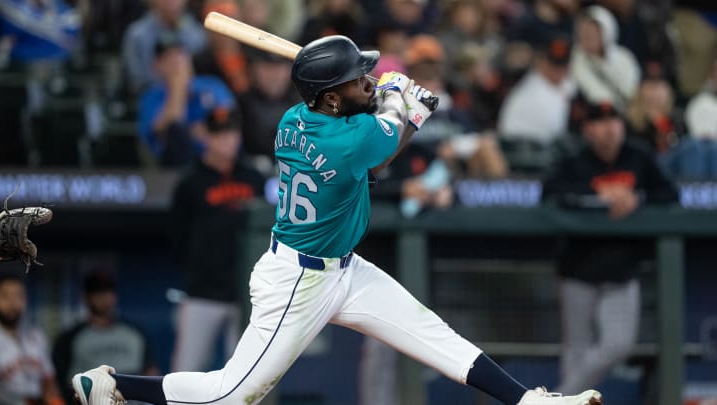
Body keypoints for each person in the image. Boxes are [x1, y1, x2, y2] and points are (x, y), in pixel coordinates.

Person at [71, 35, 602, 405]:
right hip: (298, 282)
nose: (367, 80)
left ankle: (528, 400)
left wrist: (393, 100)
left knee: (429, 332)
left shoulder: (294, 118)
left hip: (341, 268)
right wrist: (409, 105)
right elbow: (383, 142)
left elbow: (373, 127)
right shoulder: (349, 140)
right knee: (229, 395)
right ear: (328, 98)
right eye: (356, 79)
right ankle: (115, 386)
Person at [541, 101, 679, 394]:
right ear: (587, 129)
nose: (609, 128)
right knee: (575, 351)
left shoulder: (638, 157)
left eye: (614, 120)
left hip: (621, 269)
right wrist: (597, 196)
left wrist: (636, 197)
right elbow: (550, 195)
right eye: (599, 122)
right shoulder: (573, 160)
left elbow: (669, 194)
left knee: (618, 344)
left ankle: (559, 399)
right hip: (578, 268)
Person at [169, 106, 264, 373]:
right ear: (207, 137)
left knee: (248, 373)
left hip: (247, 292)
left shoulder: (253, 178)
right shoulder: (190, 182)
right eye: (220, 135)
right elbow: (177, 237)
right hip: (203, 292)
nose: (227, 141)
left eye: (231, 134)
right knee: (187, 369)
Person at [52, 269, 158, 403]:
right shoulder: (71, 338)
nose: (104, 298)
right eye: (98, 293)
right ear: (86, 296)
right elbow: (62, 385)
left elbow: (150, 374)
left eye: (108, 292)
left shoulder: (134, 333)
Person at [137, 31, 235, 167]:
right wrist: (177, 88)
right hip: (176, 167)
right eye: (168, 57)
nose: (176, 61)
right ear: (157, 65)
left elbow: (231, 121)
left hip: (217, 157)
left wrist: (206, 133)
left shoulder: (211, 85)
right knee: (176, 132)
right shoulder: (152, 97)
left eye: (180, 54)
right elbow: (165, 130)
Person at [0, 270, 64, 405]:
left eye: (18, 296)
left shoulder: (36, 336)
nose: (13, 302)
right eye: (5, 296)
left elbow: (49, 382)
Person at [122, 0, 207, 91]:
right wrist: (159, 74)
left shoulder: (197, 34)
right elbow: (135, 82)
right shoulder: (137, 35)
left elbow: (204, 75)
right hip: (150, 98)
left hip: (192, 95)